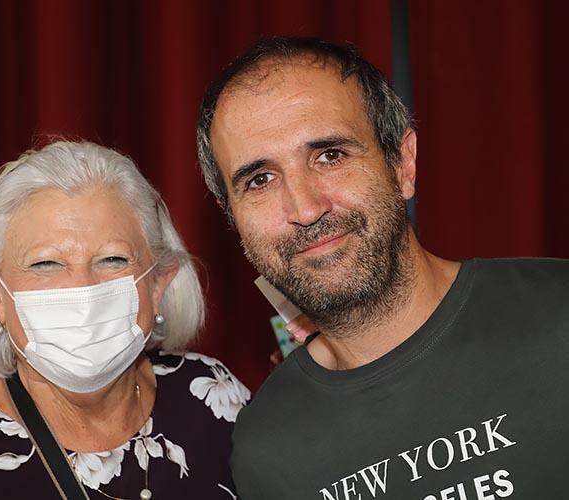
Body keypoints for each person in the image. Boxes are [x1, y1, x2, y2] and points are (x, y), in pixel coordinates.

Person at [196, 36, 569, 499]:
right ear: (232, 216)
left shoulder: (558, 318)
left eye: (330, 156)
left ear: (402, 164)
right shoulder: (266, 452)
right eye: (260, 180)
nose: (305, 208)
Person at [0, 140, 250, 499]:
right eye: (45, 264)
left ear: (158, 284)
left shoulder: (214, 397)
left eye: (113, 259)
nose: (82, 289)